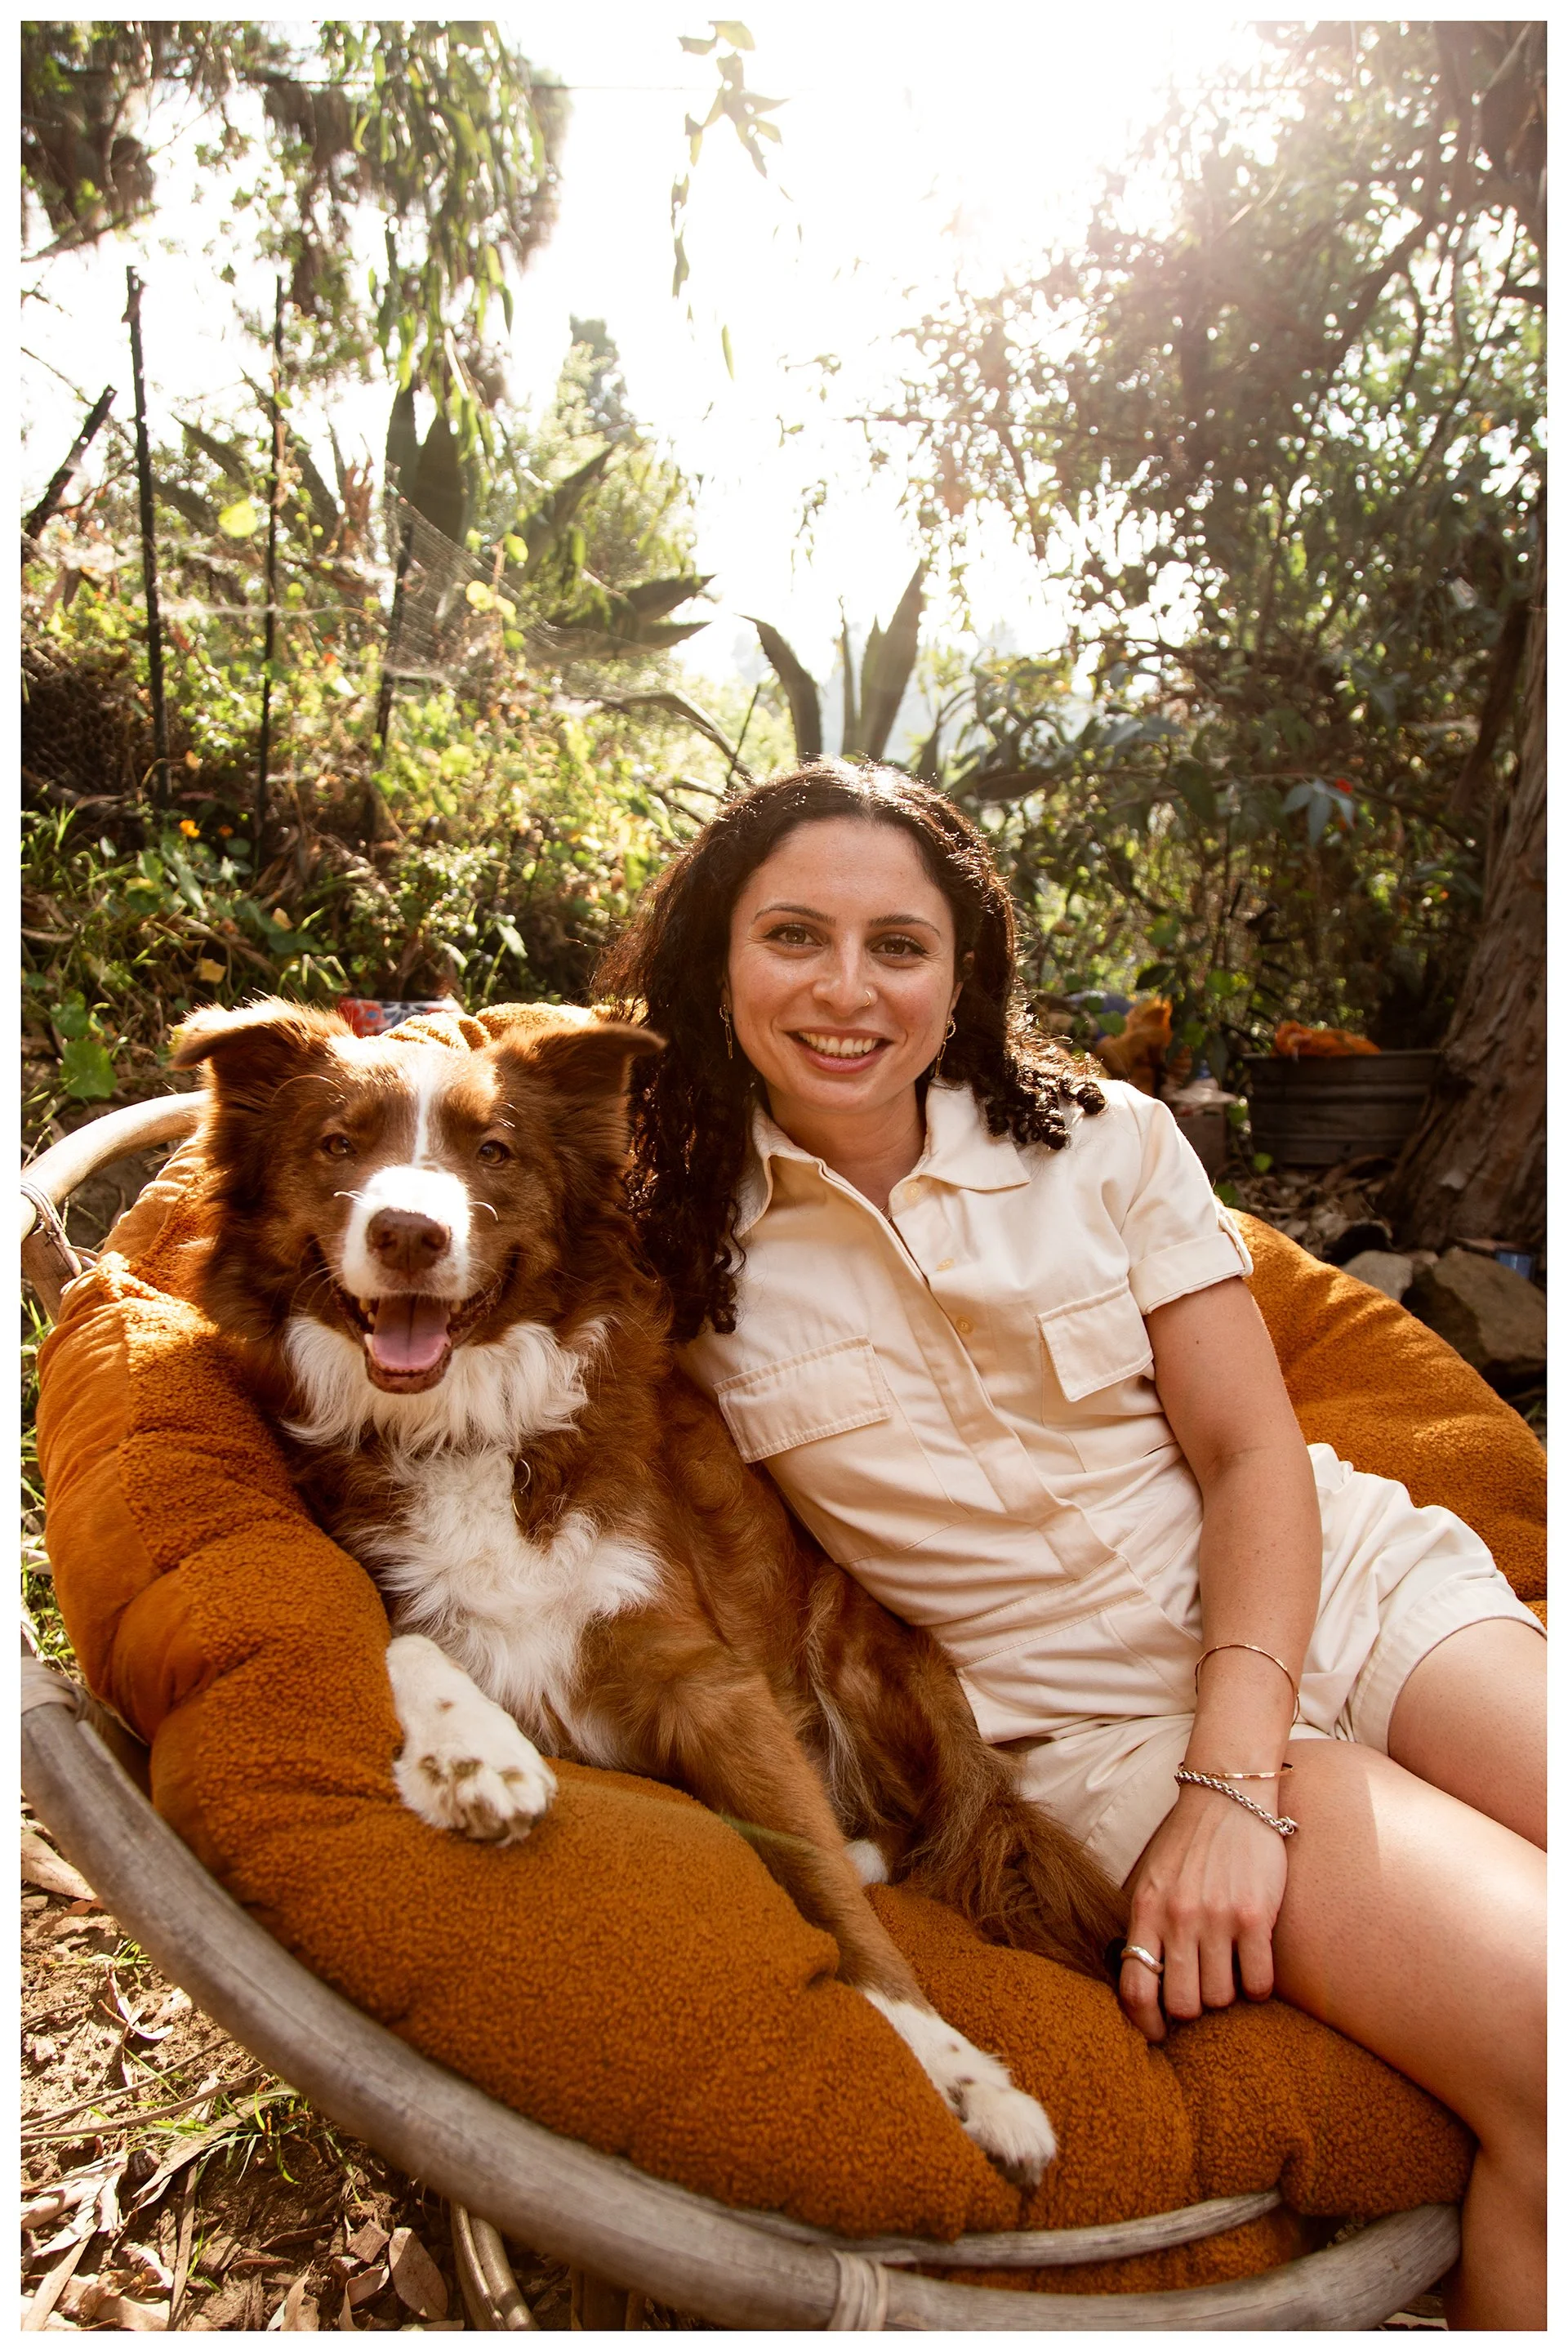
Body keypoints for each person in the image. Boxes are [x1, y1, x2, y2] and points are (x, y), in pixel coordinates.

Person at [595, 759, 1544, 2330]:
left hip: (1352, 1592)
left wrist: (1238, 1781)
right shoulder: (666, 1240)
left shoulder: (1105, 1141)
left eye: (900, 945)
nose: (848, 990)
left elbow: (1250, 1454)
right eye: (795, 936)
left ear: (963, 971)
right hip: (1098, 1731)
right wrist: (1216, 1787)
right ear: (715, 957)